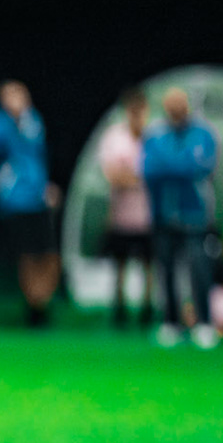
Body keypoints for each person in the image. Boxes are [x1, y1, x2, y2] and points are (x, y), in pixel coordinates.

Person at [0, 80, 61, 327]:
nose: (17, 99)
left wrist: (46, 185)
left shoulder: (33, 120)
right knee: (27, 254)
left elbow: (39, 156)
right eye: (11, 95)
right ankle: (33, 307)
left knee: (49, 254)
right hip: (13, 199)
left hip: (37, 198)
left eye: (20, 93)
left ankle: (42, 302)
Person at [141, 87, 221, 349]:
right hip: (163, 214)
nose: (175, 107)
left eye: (180, 102)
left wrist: (171, 165)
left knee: (199, 268)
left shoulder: (204, 133)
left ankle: (204, 323)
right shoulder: (155, 134)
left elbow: (201, 167)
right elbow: (148, 169)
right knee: (166, 271)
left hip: (195, 214)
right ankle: (171, 323)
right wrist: (179, 165)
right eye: (170, 103)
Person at [97, 87, 154, 327]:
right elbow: (113, 175)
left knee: (149, 265)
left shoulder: (154, 138)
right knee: (119, 266)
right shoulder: (114, 137)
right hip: (121, 216)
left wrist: (132, 176)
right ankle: (119, 310)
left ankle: (147, 311)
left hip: (150, 216)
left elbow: (162, 173)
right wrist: (139, 178)